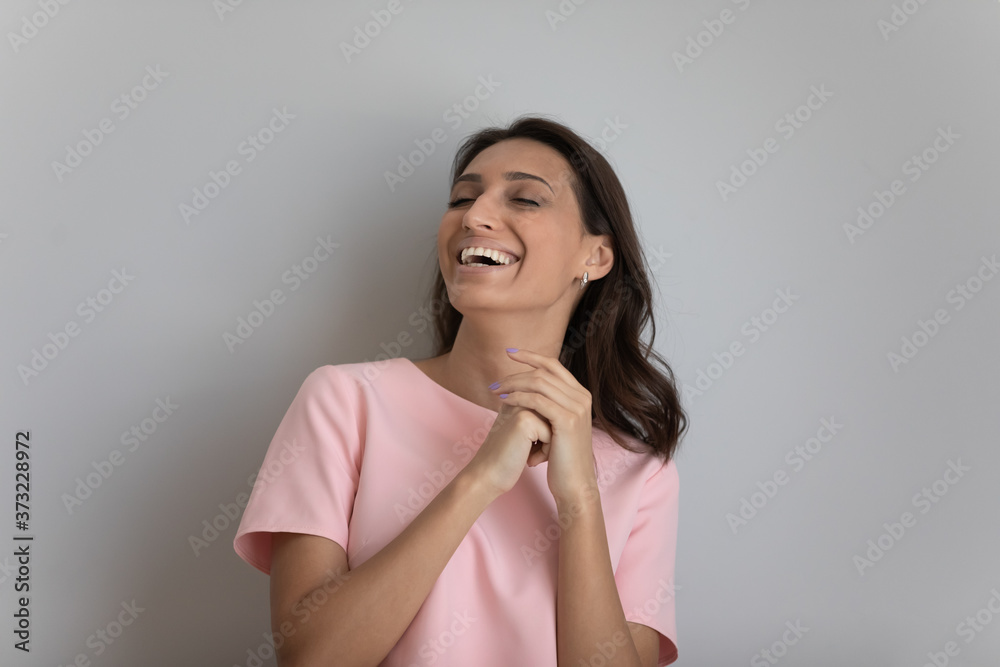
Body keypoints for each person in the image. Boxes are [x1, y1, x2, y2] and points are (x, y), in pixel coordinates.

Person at [233, 115, 688, 666]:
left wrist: (579, 500)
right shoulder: (345, 401)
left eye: (525, 199)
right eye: (461, 199)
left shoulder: (643, 473)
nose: (474, 216)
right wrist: (480, 478)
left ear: (595, 257)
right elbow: (310, 658)